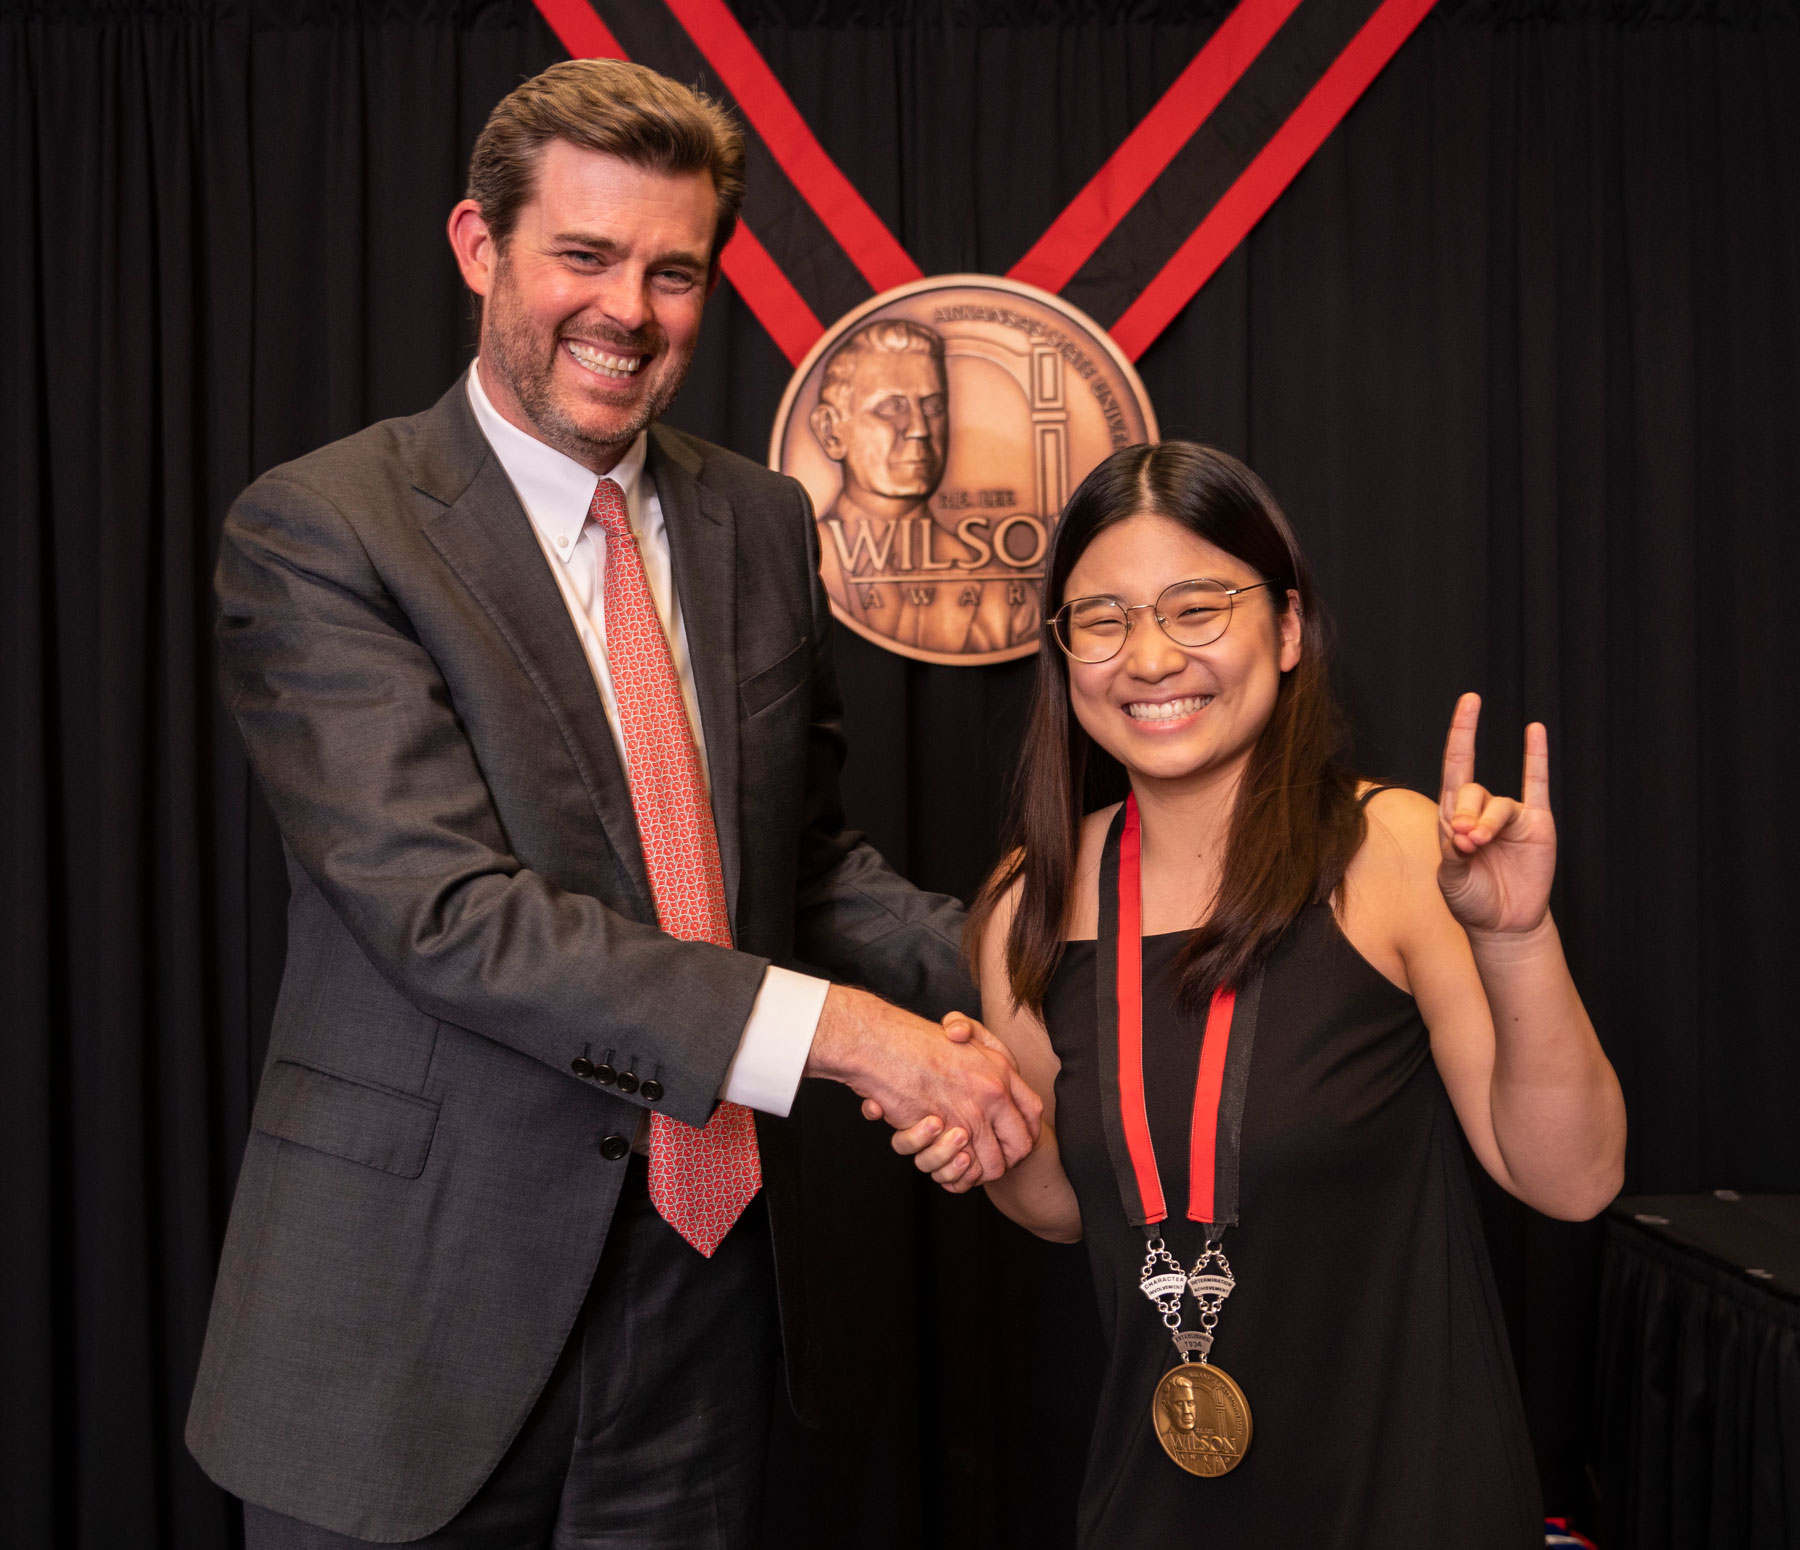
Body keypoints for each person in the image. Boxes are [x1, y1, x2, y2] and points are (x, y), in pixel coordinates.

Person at [184, 59, 1040, 1549]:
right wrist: (865, 1044)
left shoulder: (761, 521)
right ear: (478, 246)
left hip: (703, 1300)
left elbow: (803, 866)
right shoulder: (324, 529)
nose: (627, 312)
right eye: (583, 256)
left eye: (673, 272)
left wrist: (1065, 965)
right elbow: (449, 919)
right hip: (414, 1304)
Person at [877, 441, 1626, 1545]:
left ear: (1284, 628)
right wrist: (978, 1126)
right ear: (1063, 651)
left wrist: (1515, 938)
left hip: (1412, 1505)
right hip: (1158, 1509)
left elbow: (1571, 1179)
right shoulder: (1024, 900)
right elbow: (1064, 1206)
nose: (1148, 656)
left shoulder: (1391, 850)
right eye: (1104, 618)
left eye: (1195, 607)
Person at [810, 318, 1027, 654]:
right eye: (891, 407)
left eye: (933, 407)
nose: (919, 429)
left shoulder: (1003, 595)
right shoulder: (794, 569)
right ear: (830, 431)